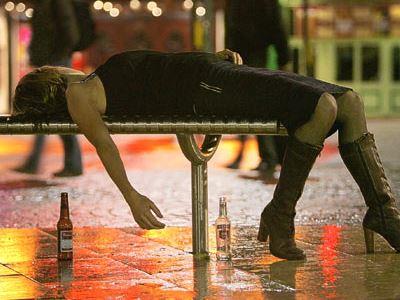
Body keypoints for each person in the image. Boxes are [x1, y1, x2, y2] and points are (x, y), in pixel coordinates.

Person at [12, 49, 400, 260]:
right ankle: (281, 216)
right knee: (324, 107)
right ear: (49, 83)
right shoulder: (78, 94)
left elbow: (159, 67)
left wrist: (211, 55)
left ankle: (382, 210)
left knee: (350, 101)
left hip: (211, 72)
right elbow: (105, 146)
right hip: (205, 88)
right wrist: (131, 197)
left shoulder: (90, 79)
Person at [14, 0, 83, 177]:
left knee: (52, 110)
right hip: (49, 60)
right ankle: (37, 161)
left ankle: (70, 163)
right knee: (45, 110)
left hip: (55, 62)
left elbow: (70, 33)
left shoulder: (57, 2)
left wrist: (57, 56)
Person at [225, 0, 290, 177]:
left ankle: (266, 157)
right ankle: (262, 156)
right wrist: (284, 57)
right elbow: (276, 26)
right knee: (251, 106)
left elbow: (275, 26)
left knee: (256, 106)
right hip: (252, 53)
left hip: (251, 54)